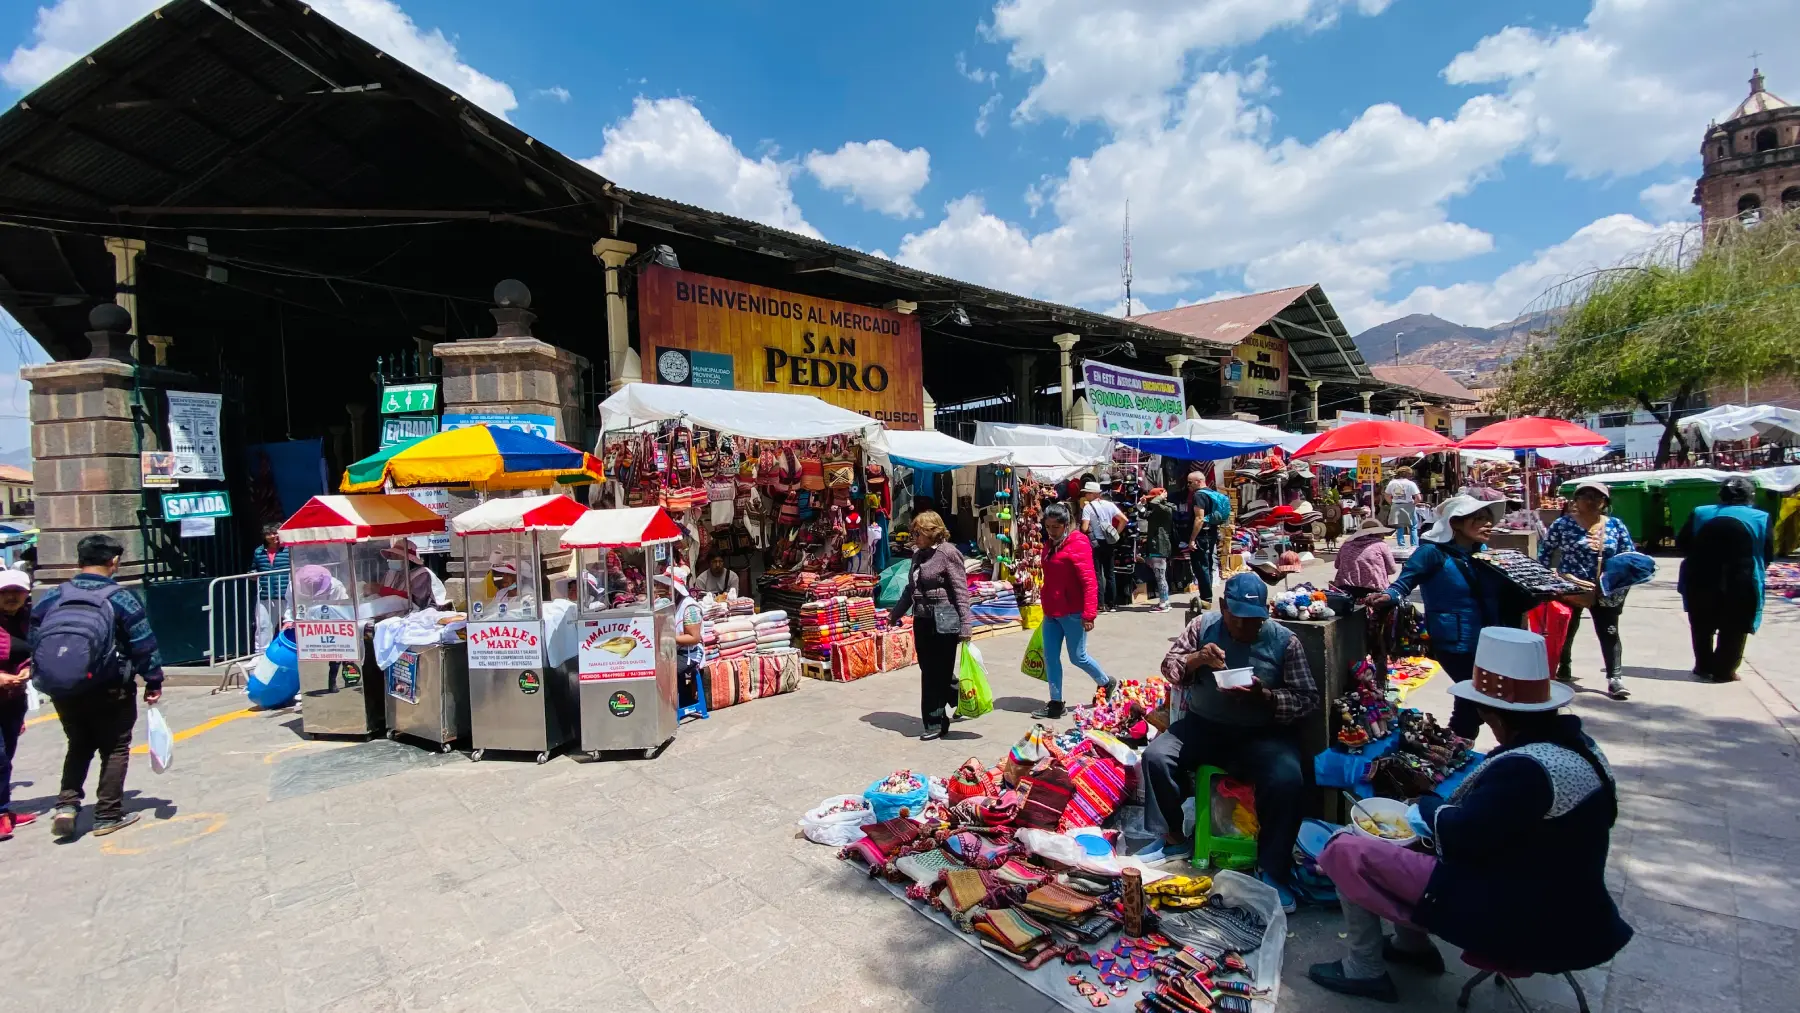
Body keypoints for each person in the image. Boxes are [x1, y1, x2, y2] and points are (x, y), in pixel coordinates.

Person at [1307, 627, 1631, 1001]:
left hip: (1526, 914)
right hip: (1570, 901)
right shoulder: (1581, 748)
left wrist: (1426, 806)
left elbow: (1464, 837)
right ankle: (1411, 947)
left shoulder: (1527, 770)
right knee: (1407, 844)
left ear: (1494, 714)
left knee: (1345, 848)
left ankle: (1364, 969)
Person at [1141, 573, 1319, 910]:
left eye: (1255, 620)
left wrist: (1266, 697)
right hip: (1204, 725)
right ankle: (1174, 839)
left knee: (1287, 778)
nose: (1246, 627)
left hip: (1262, 733)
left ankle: (1272, 868)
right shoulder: (1202, 627)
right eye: (1239, 619)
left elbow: (1307, 699)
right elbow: (1170, 667)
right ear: (1223, 608)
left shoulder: (1285, 641)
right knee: (1157, 756)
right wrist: (1197, 659)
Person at [32, 534, 165, 839]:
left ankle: (66, 805)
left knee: (78, 744)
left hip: (64, 686)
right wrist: (153, 679)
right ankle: (108, 814)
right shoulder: (121, 598)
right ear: (113, 561)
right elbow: (143, 644)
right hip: (110, 686)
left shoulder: (53, 596)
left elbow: (35, 638)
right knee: (115, 746)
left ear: (79, 560)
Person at [1367, 496, 1518, 740]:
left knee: (1470, 701)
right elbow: (1404, 583)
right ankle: (1463, 744)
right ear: (1455, 523)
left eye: (1489, 519)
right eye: (1479, 518)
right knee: (1477, 697)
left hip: (1487, 638)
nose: (1488, 524)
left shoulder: (1483, 554)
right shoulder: (1431, 552)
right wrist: (1388, 596)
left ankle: (1454, 747)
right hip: (1453, 642)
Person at [1539, 480, 1634, 700]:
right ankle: (1564, 665)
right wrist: (1546, 581)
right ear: (1575, 501)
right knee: (1566, 629)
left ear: (1605, 502)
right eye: (1585, 496)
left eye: (1597, 497)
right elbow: (1545, 553)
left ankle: (1615, 678)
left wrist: (1616, 581)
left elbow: (1628, 557)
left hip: (1605, 589)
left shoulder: (1615, 525)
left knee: (1609, 631)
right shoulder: (1563, 524)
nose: (1591, 501)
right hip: (1569, 587)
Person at [1678, 475, 1773, 683]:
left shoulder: (1700, 512)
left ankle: (1703, 667)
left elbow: (1683, 544)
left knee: (1701, 625)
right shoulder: (1760, 517)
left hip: (1700, 578)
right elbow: (1768, 552)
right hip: (1743, 579)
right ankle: (1724, 671)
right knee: (1735, 626)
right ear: (1750, 495)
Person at [887, 510, 972, 740]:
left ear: (932, 532)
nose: (914, 538)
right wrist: (895, 613)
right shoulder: (917, 555)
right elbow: (910, 589)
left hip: (945, 619)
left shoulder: (948, 553)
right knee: (930, 669)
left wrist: (966, 625)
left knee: (935, 673)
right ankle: (960, 697)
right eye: (913, 533)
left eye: (918, 533)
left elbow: (961, 591)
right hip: (922, 619)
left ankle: (934, 722)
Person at [1034, 503, 1116, 719]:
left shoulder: (1078, 543)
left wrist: (1089, 614)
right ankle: (1056, 703)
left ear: (1066, 524)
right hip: (1051, 611)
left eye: (1056, 527)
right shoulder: (1049, 545)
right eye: (1048, 526)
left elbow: (1089, 582)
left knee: (1077, 657)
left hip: (1073, 612)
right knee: (1050, 658)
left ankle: (1105, 682)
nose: (1051, 531)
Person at [0, 568, 35, 840]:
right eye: (5, 592)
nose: (11, 596)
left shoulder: (28, 621)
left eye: (17, 592)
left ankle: (4, 810)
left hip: (13, 701)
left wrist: (29, 668)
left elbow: (36, 651)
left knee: (6, 757)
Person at [653, 566, 707, 711]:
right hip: (675, 651)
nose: (663, 588)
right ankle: (675, 702)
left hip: (689, 654)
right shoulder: (672, 604)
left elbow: (694, 638)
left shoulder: (690, 607)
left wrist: (668, 637)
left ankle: (669, 708)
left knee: (661, 671)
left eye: (666, 586)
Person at [1079, 482, 1126, 611]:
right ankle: (1112, 604)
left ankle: (1101, 604)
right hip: (1109, 542)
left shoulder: (1088, 508)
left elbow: (1084, 528)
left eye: (1087, 493)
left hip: (1096, 543)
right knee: (1110, 573)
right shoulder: (1109, 504)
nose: (1085, 495)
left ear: (1093, 494)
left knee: (1097, 574)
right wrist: (1116, 534)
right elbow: (1124, 520)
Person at [1188, 471, 1231, 607]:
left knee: (1201, 566)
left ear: (1198, 481)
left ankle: (1206, 598)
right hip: (1212, 533)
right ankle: (1207, 597)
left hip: (1202, 535)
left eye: (1190, 482)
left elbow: (1199, 518)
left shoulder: (1199, 495)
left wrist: (1192, 539)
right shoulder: (1212, 493)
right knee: (1208, 564)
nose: (1188, 485)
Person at [251, 523, 289, 651]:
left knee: (292, 624)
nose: (273, 536)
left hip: (287, 594)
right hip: (266, 594)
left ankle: (296, 652)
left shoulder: (289, 549)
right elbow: (255, 568)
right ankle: (260, 653)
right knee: (263, 626)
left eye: (275, 533)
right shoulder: (259, 551)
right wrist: (252, 574)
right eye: (269, 534)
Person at [1139, 487, 1175, 613]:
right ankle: (1165, 601)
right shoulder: (1156, 509)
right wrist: (1142, 505)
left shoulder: (1166, 509)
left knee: (1160, 575)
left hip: (1160, 545)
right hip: (1156, 544)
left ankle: (1163, 604)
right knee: (1160, 575)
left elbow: (1155, 503)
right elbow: (1144, 515)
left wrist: (1160, 496)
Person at [379, 541, 437, 610]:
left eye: (396, 556)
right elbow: (380, 590)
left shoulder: (422, 574)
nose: (392, 559)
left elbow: (416, 602)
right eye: (391, 556)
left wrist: (382, 590)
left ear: (409, 559)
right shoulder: (390, 573)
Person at [1384, 467, 1422, 548]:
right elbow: (1418, 498)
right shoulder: (1411, 484)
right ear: (1408, 474)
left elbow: (1386, 495)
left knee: (1399, 527)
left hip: (1396, 505)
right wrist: (1413, 504)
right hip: (1408, 505)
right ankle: (1414, 545)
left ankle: (1401, 545)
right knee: (1413, 527)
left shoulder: (1392, 483)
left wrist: (1392, 503)